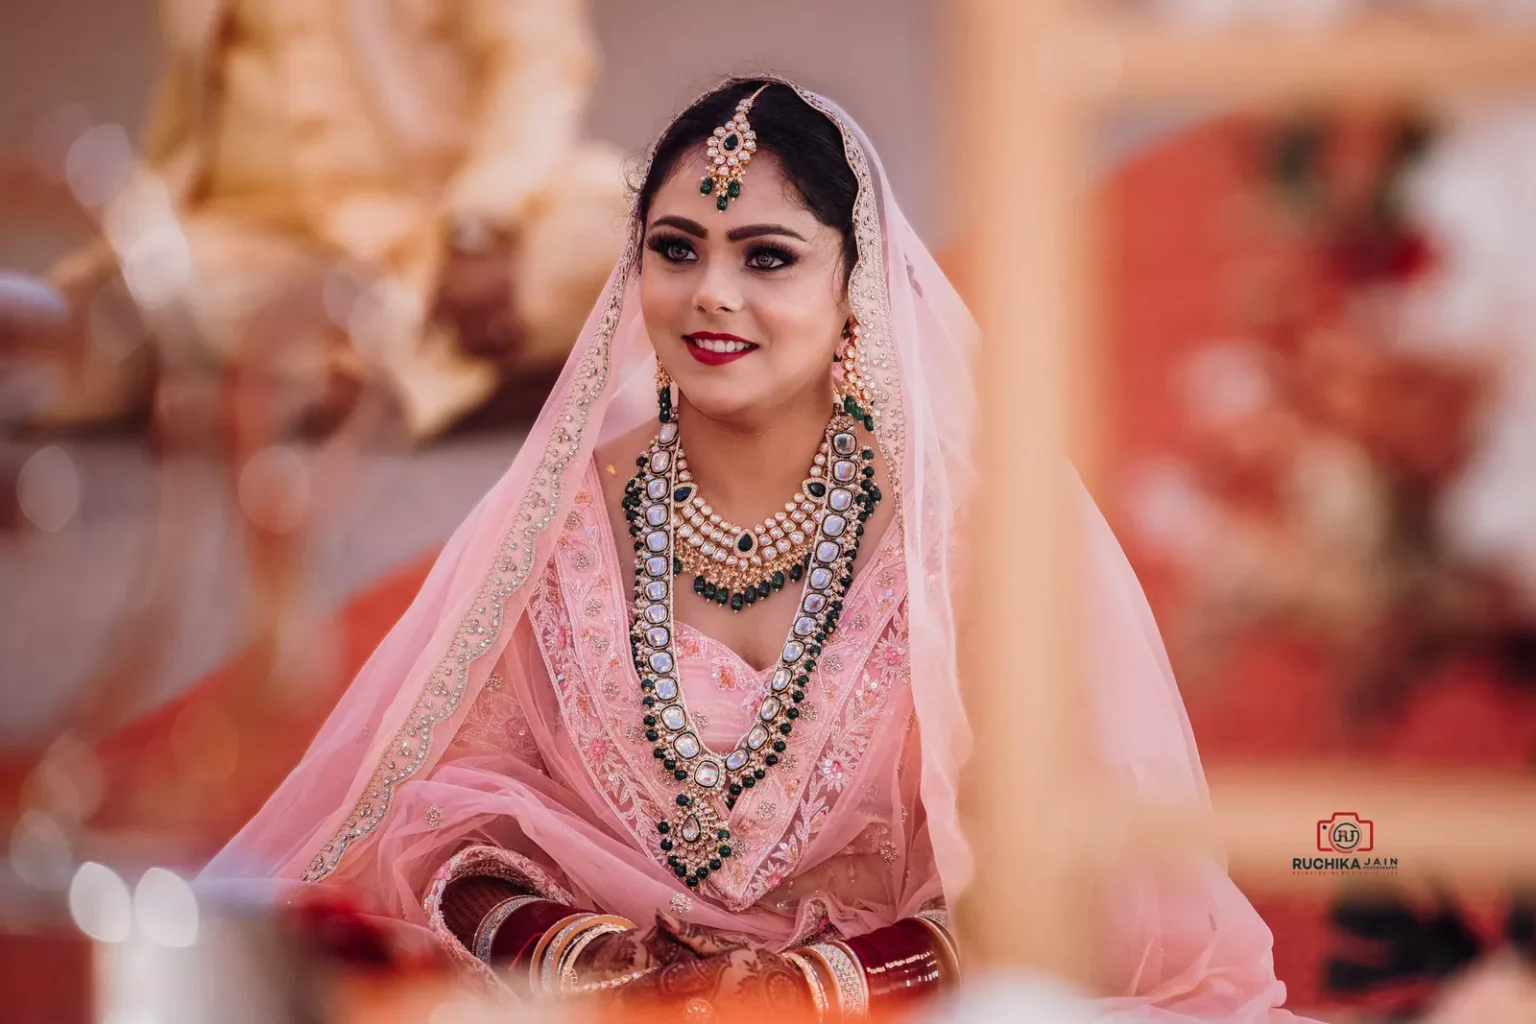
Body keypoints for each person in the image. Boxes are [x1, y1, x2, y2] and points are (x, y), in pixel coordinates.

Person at [203, 78, 1313, 1020]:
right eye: (676, 249)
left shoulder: (956, 539)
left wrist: (808, 989)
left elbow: (1060, 880)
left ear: (854, 294)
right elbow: (449, 812)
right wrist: (578, 954)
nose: (711, 294)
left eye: (768, 256)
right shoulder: (564, 518)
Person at [28, 0, 626, 441]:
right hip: (259, 246)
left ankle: (310, 386)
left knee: (632, 234)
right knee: (122, 309)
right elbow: (183, 122)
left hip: (438, 231)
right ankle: (412, 383)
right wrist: (137, 249)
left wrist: (482, 222)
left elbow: (537, 67)